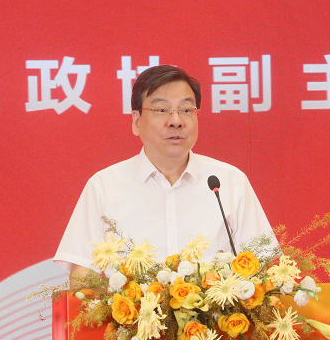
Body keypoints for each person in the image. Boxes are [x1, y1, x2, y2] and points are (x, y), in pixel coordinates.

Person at [54, 65, 274, 286]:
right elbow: (82, 280)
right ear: (136, 121)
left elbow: (264, 274)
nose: (176, 120)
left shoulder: (229, 182)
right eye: (161, 110)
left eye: (186, 110)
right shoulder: (104, 187)